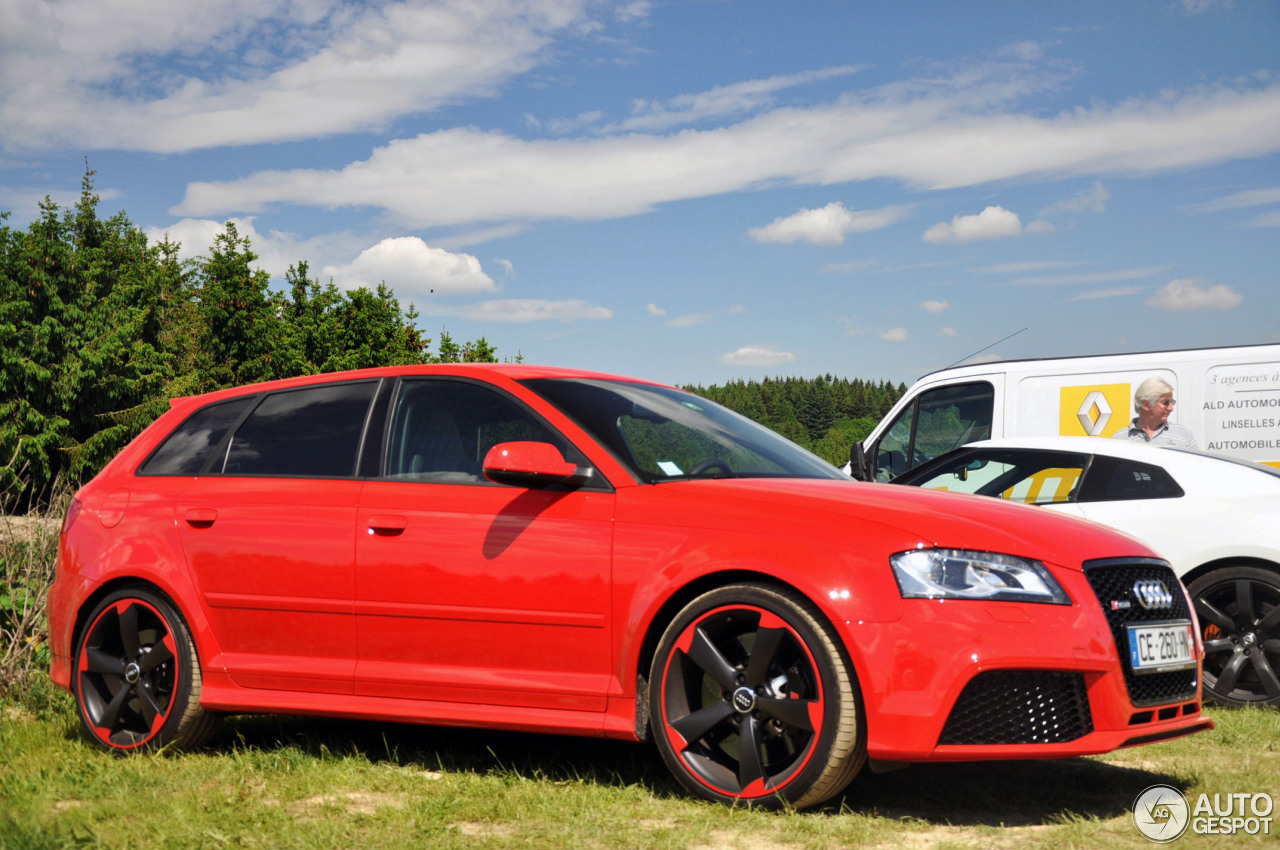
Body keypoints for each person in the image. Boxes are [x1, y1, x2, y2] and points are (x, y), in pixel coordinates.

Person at [1112, 377, 1197, 448]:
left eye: (1172, 402)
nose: (1171, 408)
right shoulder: (1119, 439)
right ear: (1146, 404)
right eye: (1165, 403)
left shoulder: (1183, 435)